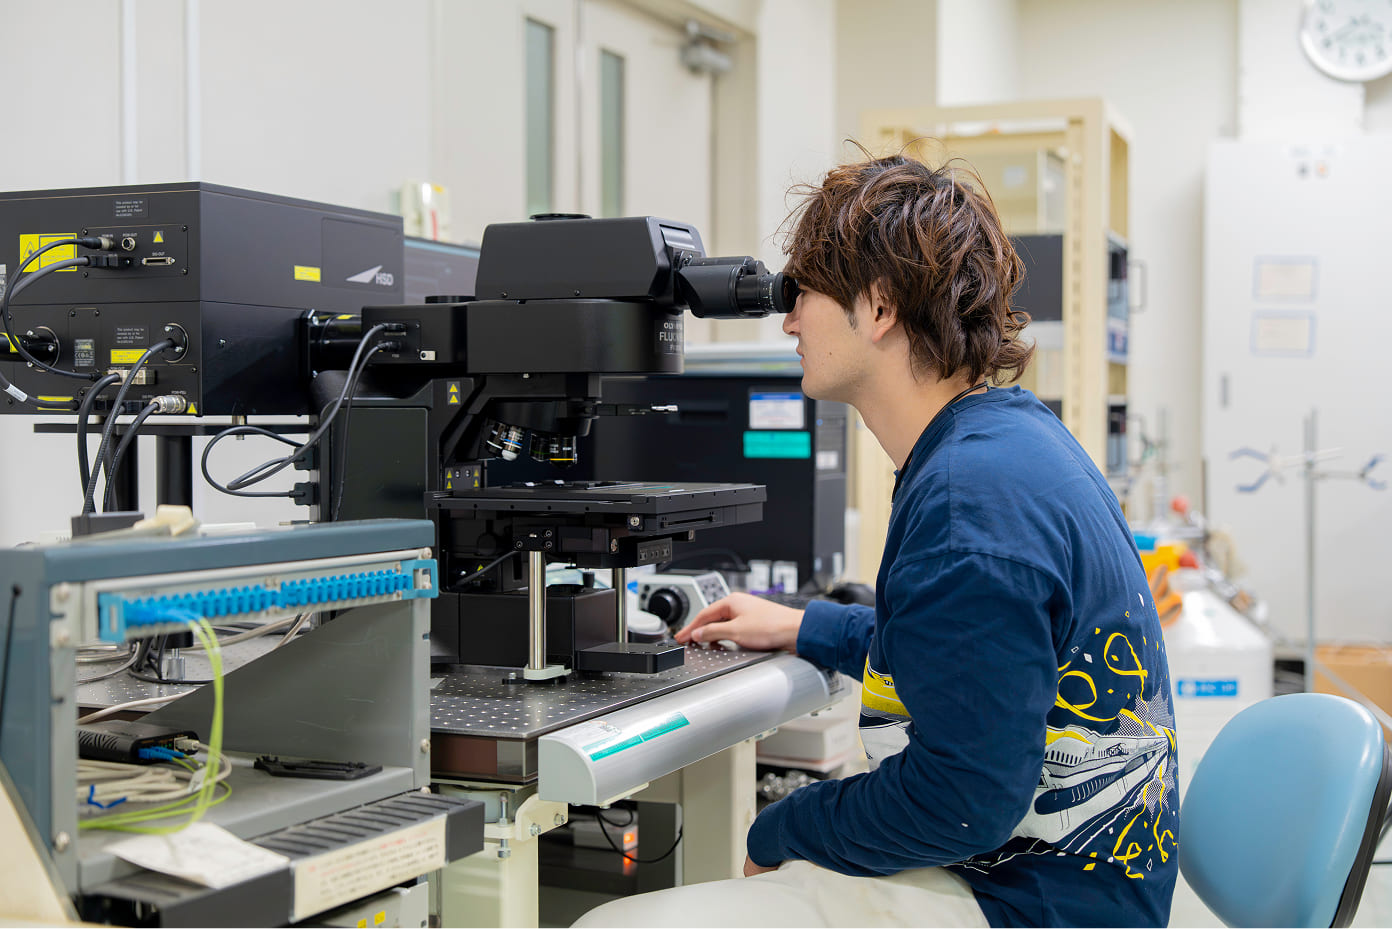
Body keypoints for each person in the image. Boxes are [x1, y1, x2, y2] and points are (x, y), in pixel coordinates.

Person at [574, 151, 1178, 928]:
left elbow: (961, 803)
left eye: (804, 294)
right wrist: (808, 625)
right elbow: (972, 662)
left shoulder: (967, 505)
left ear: (881, 307)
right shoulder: (1006, 439)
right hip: (1065, 878)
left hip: (1032, 904)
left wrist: (783, 827)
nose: (789, 320)